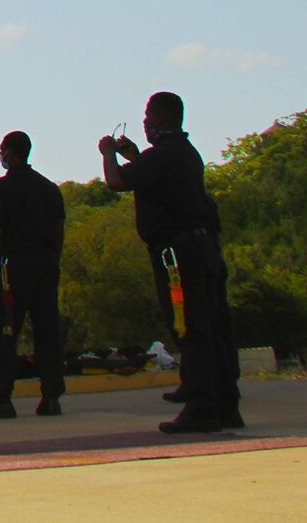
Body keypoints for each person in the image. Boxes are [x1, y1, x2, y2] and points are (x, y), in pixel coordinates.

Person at [103, 93, 241, 433]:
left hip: (178, 257)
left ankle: (202, 408)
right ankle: (226, 406)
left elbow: (117, 181)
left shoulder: (164, 154)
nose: (145, 123)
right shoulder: (185, 153)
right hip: (202, 249)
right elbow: (150, 175)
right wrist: (133, 155)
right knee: (211, 329)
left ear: (161, 119)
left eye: (148, 117)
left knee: (189, 328)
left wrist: (109, 156)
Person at [0, 133, 66, 420]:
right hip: (46, 261)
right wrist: (52, 261)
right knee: (47, 331)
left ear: (10, 153)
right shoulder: (50, 188)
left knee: (5, 333)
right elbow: (59, 232)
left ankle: (1, 399)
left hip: (15, 266)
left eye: (2, 151)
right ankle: (51, 397)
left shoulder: (2, 188)